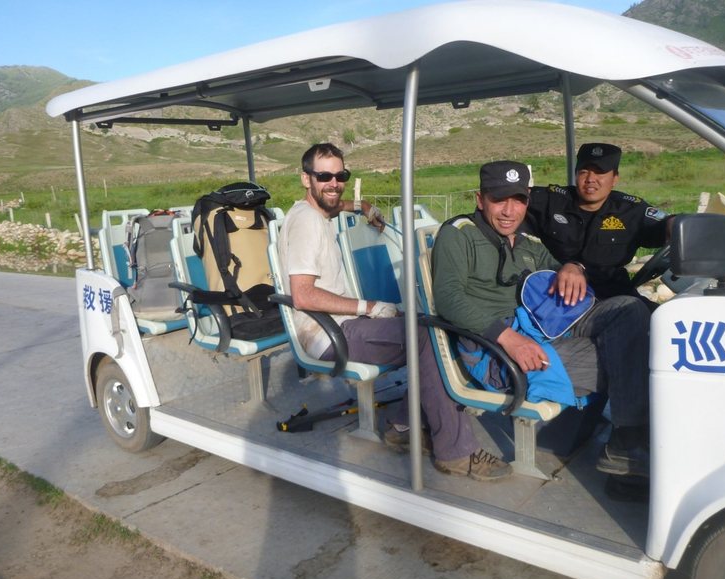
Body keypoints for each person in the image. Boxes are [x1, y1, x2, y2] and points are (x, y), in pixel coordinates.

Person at [277, 142, 511, 482]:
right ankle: (456, 452)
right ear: (305, 178)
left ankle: (402, 425)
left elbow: (335, 203)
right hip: (327, 333)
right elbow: (302, 295)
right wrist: (370, 308)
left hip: (344, 324)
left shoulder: (316, 211)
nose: (334, 183)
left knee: (429, 326)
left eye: (340, 175)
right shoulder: (306, 224)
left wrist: (362, 206)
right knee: (428, 337)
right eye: (324, 176)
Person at [432, 160, 651, 478]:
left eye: (518, 200)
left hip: (541, 330)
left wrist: (573, 266)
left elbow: (559, 264)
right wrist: (509, 338)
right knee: (627, 355)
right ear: (481, 200)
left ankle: (627, 436)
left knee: (630, 311)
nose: (509, 211)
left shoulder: (526, 242)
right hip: (497, 351)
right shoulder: (458, 234)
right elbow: (448, 299)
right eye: (499, 199)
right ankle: (628, 442)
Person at [525, 143, 672, 307]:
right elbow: (512, 197)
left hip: (615, 297)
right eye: (584, 171)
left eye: (600, 172)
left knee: (663, 321)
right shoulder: (552, 201)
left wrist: (676, 224)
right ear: (575, 175)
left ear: (615, 178)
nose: (590, 179)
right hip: (560, 301)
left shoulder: (630, 210)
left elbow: (667, 224)